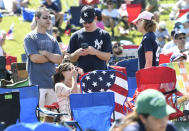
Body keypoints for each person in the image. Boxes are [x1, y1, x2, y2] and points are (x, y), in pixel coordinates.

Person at [24, 7, 63, 110]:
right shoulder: (29, 37)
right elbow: (35, 59)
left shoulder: (52, 39)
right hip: (36, 85)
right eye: (45, 17)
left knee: (51, 117)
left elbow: (59, 59)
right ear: (37, 18)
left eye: (50, 18)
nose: (48, 20)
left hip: (51, 84)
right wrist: (52, 57)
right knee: (37, 117)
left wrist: (46, 53)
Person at [66, 5, 112, 73]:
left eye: (89, 22)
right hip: (82, 75)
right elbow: (70, 58)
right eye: (84, 22)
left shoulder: (104, 35)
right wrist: (77, 53)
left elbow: (108, 56)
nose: (87, 24)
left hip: (100, 75)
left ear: (95, 18)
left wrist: (95, 52)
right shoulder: (75, 35)